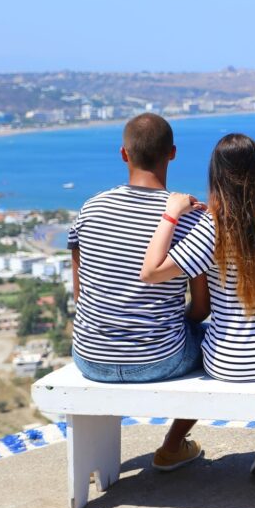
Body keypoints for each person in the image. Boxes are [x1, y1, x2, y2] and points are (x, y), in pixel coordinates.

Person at [140, 133, 255, 477]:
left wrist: (171, 215)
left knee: (201, 340)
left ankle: (174, 442)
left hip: (228, 364)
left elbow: (151, 272)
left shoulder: (213, 228)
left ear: (217, 175)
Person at [68, 113, 209, 471]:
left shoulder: (90, 209)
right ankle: (173, 446)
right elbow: (201, 307)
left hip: (91, 357)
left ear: (123, 154)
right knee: (220, 342)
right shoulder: (190, 219)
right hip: (160, 359)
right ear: (172, 153)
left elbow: (80, 294)